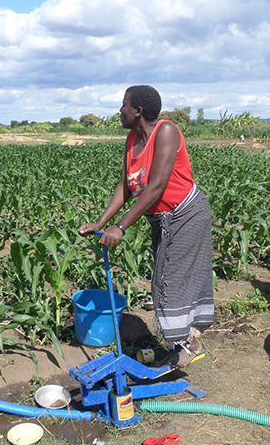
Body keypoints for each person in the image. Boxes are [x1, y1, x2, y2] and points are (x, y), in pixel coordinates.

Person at [78, 85, 214, 367]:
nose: (120, 110)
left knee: (167, 281)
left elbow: (157, 186)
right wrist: (101, 223)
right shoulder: (131, 138)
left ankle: (185, 346)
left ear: (137, 111)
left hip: (186, 214)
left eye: (123, 105)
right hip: (163, 219)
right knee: (170, 278)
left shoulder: (166, 131)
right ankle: (186, 338)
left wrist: (121, 227)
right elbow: (125, 186)